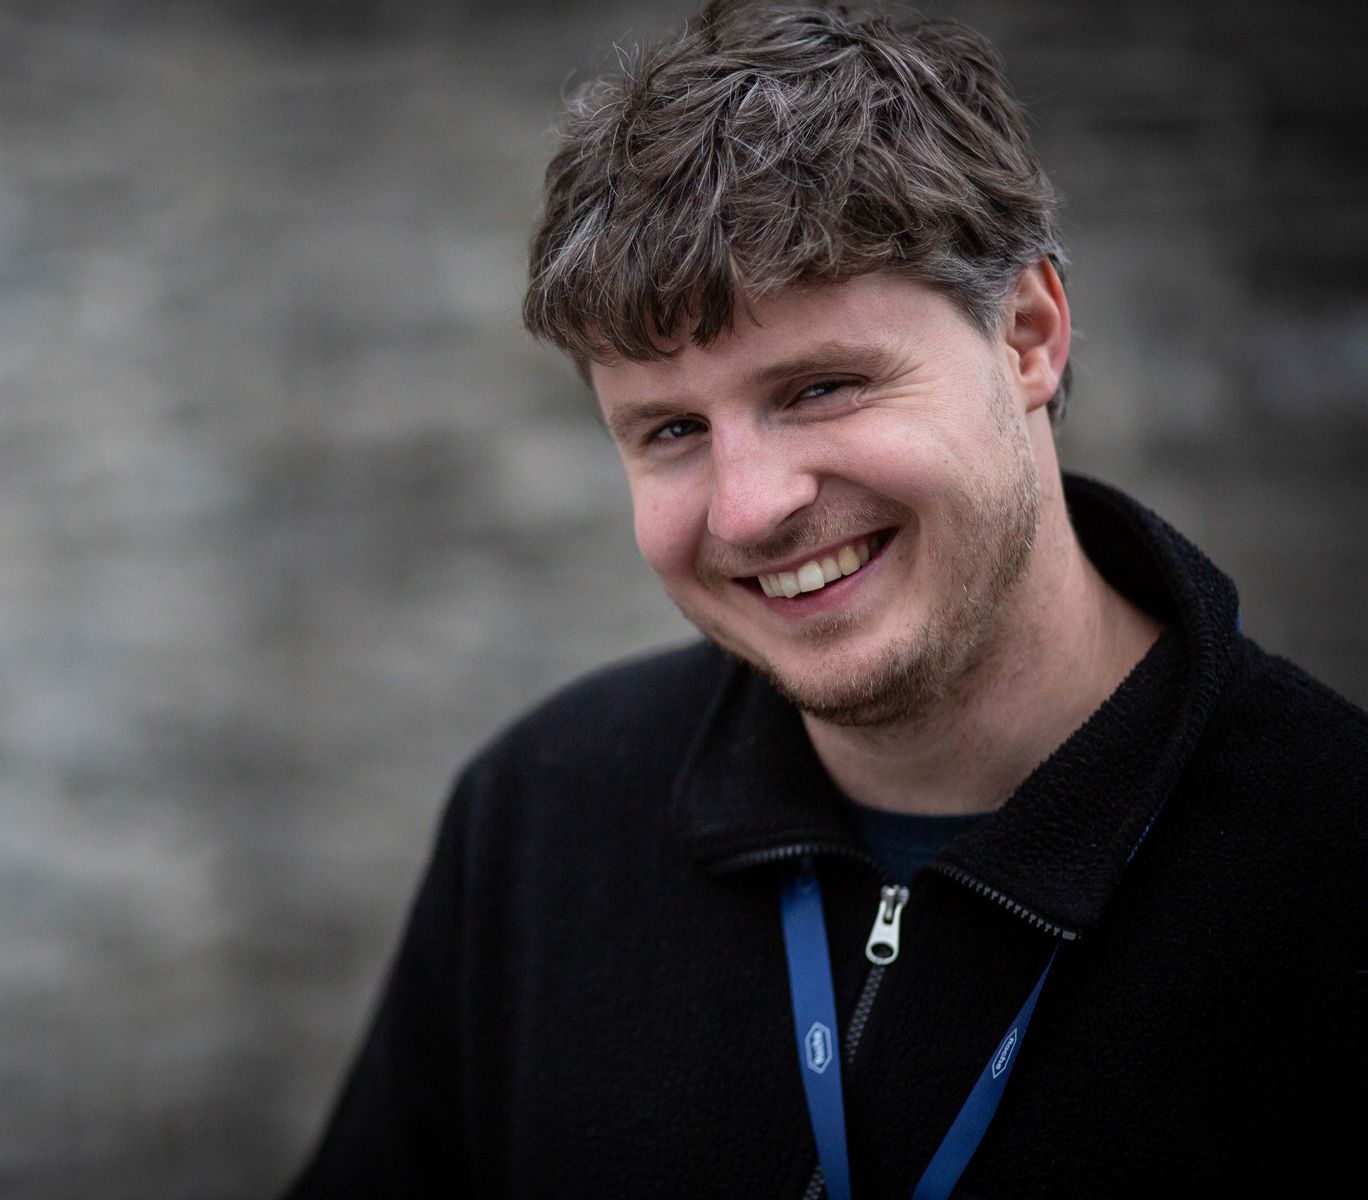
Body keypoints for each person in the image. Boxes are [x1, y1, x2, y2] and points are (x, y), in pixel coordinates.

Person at [285, 3, 1363, 1196]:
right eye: (672, 430)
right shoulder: (540, 820)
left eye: (819, 388)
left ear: (1027, 335)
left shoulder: (1331, 864)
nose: (749, 510)